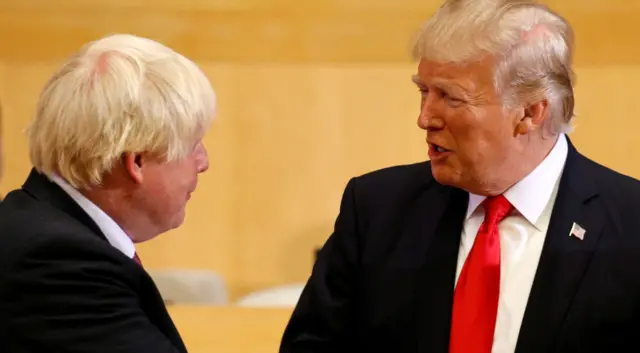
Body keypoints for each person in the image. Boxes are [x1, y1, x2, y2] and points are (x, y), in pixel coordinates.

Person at [279, 1, 640, 352]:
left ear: (530, 111)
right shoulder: (377, 209)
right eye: (424, 91)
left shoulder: (630, 223)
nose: (425, 118)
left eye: (451, 98)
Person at [0, 34, 215, 352]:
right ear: (137, 161)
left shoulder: (41, 226)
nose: (204, 162)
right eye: (193, 145)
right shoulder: (58, 262)